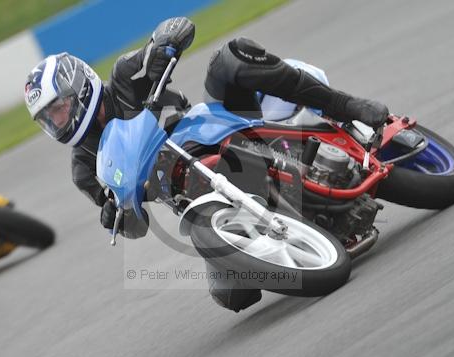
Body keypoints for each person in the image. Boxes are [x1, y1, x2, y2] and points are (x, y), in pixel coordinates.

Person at [24, 17, 389, 312]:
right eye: (49, 120)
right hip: (195, 196)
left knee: (232, 56)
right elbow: (134, 225)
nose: (58, 122)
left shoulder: (123, 78)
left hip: (217, 126)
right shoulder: (84, 168)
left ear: (81, 88)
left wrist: (164, 41)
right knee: (233, 295)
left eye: (59, 109)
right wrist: (112, 214)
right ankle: (314, 227)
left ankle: (347, 106)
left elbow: (160, 46)